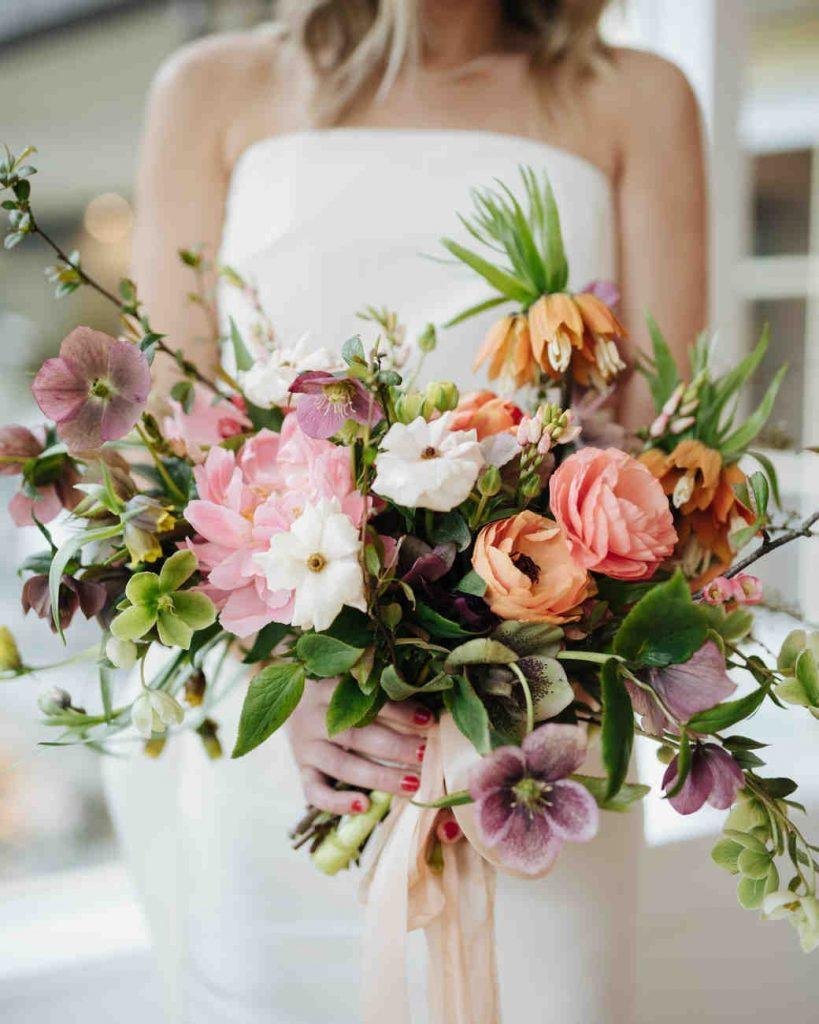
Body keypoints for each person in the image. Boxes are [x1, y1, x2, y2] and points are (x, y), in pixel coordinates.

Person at [102, 2, 705, 1021]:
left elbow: (664, 455)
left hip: (535, 752)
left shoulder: (635, 96)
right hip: (284, 742)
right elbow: (173, 448)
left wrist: (535, 642)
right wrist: (292, 682)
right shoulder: (211, 92)